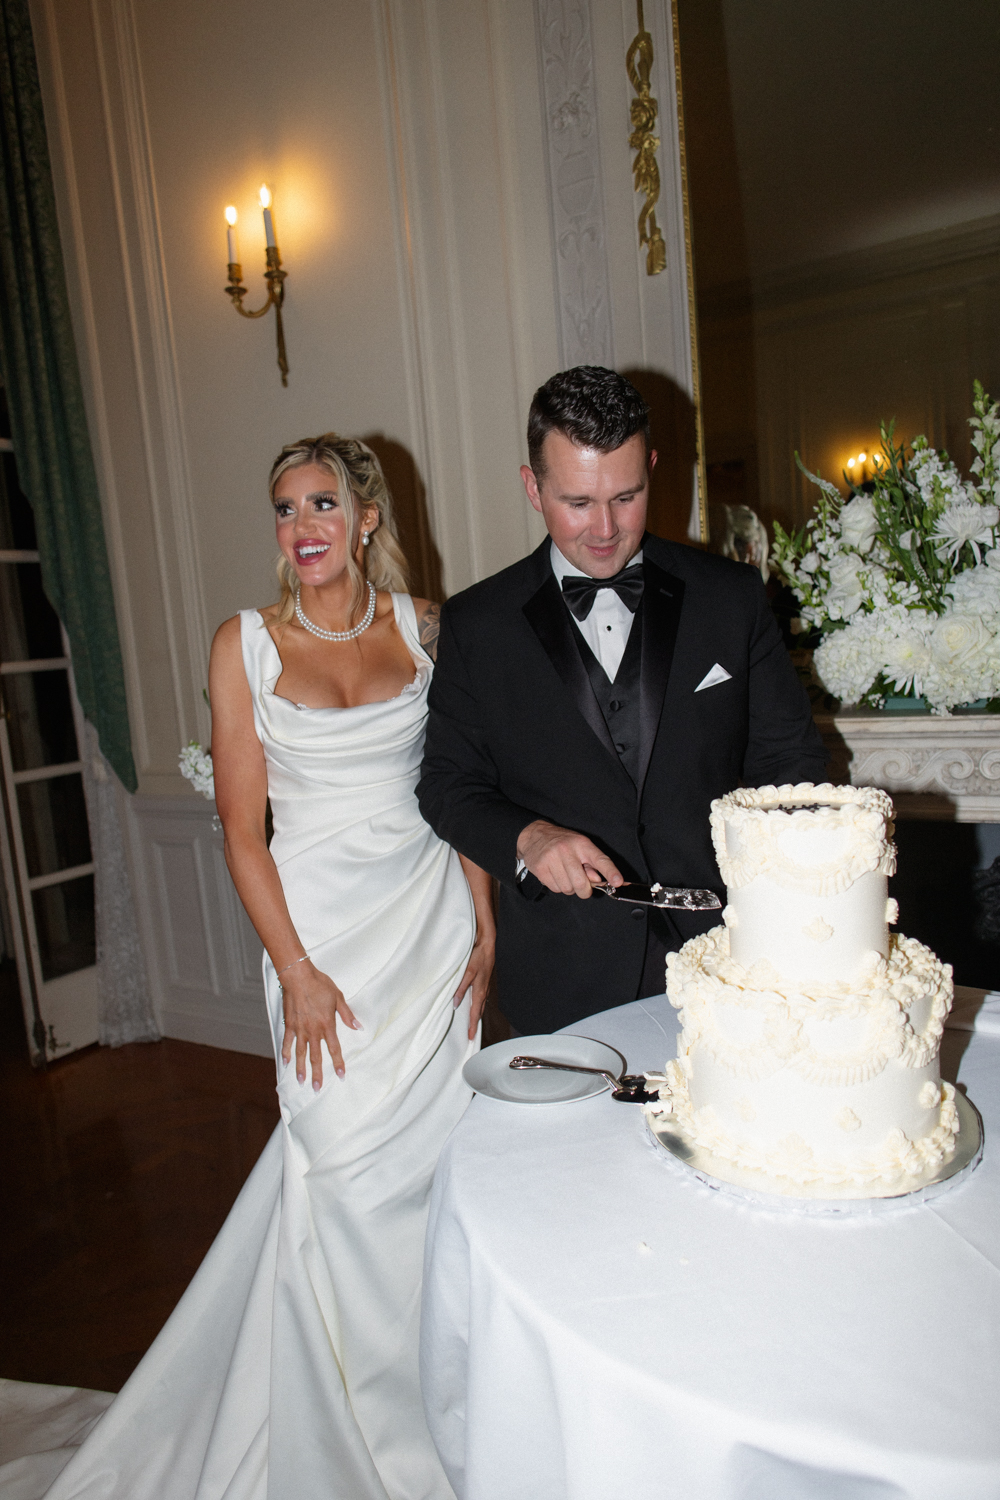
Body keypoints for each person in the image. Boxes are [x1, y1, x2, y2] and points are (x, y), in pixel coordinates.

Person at [44, 435, 494, 1500]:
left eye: (324, 505)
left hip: (425, 926)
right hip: (319, 938)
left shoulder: (422, 628)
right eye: (286, 508)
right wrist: (291, 969)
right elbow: (241, 830)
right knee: (337, 1160)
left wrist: (483, 923)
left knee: (435, 1177)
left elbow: (463, 782)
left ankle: (440, 1407)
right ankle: (346, 1428)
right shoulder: (243, 643)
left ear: (367, 518)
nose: (303, 528)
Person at [416, 366, 827, 1036]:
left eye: (627, 496)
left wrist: (801, 907)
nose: (604, 529)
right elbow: (446, 785)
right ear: (532, 486)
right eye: (577, 502)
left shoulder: (732, 598)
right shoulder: (477, 624)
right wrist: (528, 836)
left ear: (654, 469)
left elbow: (792, 762)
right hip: (560, 975)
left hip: (729, 962)